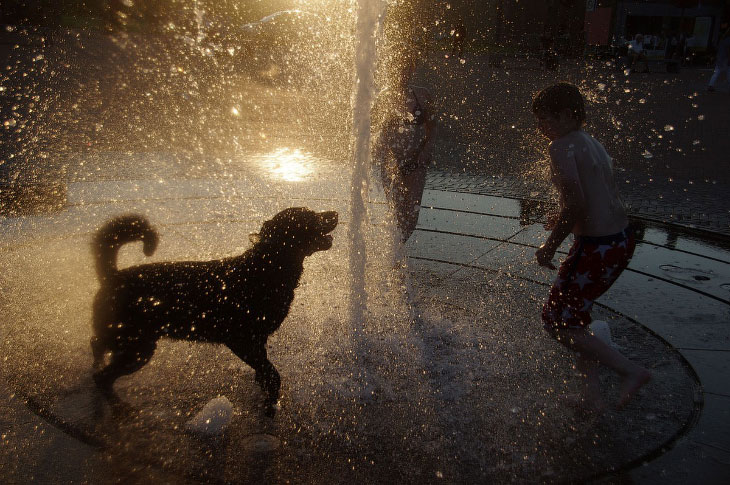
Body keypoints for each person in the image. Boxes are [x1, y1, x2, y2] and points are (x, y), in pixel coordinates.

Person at [532, 83, 651, 413]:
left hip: (596, 248)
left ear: (568, 115)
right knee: (573, 318)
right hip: (620, 240)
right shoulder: (590, 142)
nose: (542, 129)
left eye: (546, 120)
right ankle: (592, 396)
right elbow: (594, 198)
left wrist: (549, 246)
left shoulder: (561, 146)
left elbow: (577, 205)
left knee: (556, 320)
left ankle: (630, 371)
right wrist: (564, 217)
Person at [374, 59, 438, 243]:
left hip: (416, 163)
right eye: (397, 69)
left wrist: (424, 155)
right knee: (396, 212)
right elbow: (377, 131)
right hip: (391, 163)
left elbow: (432, 128)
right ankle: (396, 255)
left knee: (411, 216)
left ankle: (398, 249)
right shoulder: (384, 97)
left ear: (412, 69)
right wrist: (389, 160)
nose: (401, 74)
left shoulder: (423, 95)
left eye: (406, 69)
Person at [708, 26, 730, 92]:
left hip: (720, 57)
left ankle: (710, 85)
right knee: (729, 72)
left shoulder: (723, 39)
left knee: (717, 72)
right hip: (725, 58)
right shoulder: (728, 40)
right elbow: (728, 50)